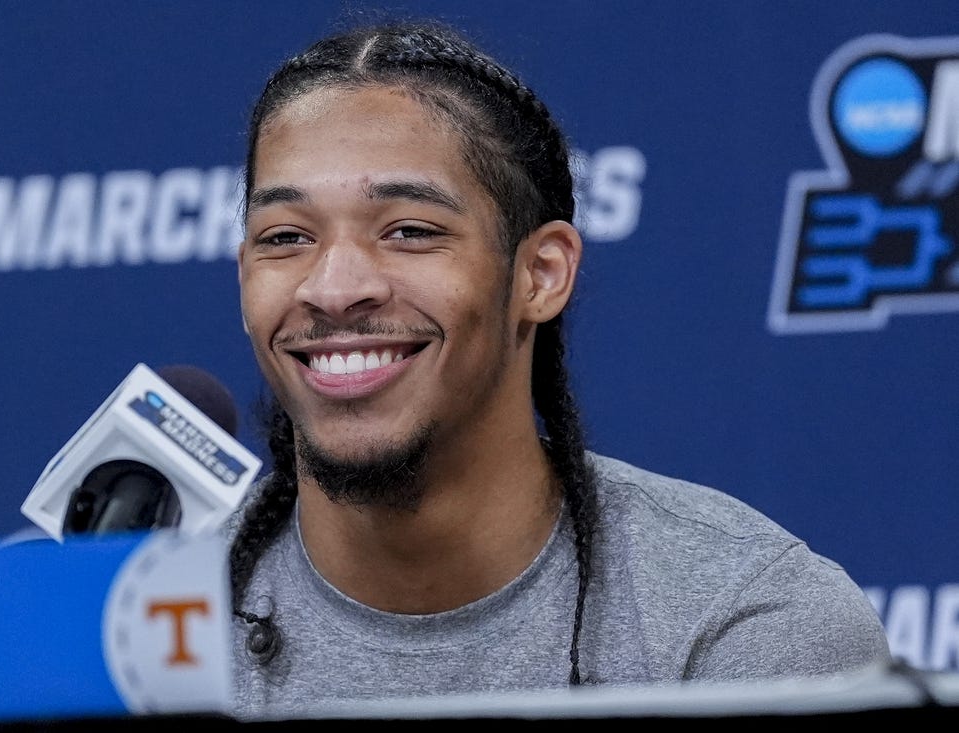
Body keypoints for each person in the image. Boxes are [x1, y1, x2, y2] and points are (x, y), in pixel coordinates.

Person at [225, 17, 892, 720]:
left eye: (409, 231)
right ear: (245, 276)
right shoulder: (128, 624)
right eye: (287, 237)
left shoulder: (747, 628)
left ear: (540, 274)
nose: (332, 288)